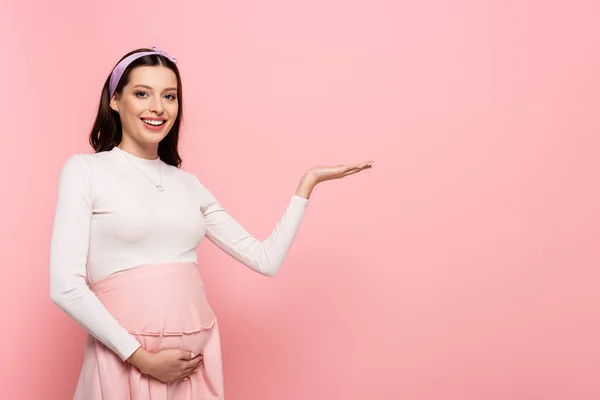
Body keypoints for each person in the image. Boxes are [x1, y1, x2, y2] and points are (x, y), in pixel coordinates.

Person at [49, 46, 373, 400]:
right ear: (114, 101)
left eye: (169, 96)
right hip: (124, 364)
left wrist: (306, 185)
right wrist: (141, 358)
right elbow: (65, 287)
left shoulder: (188, 184)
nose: (158, 107)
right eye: (142, 93)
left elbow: (265, 260)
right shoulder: (86, 171)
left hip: (194, 370)